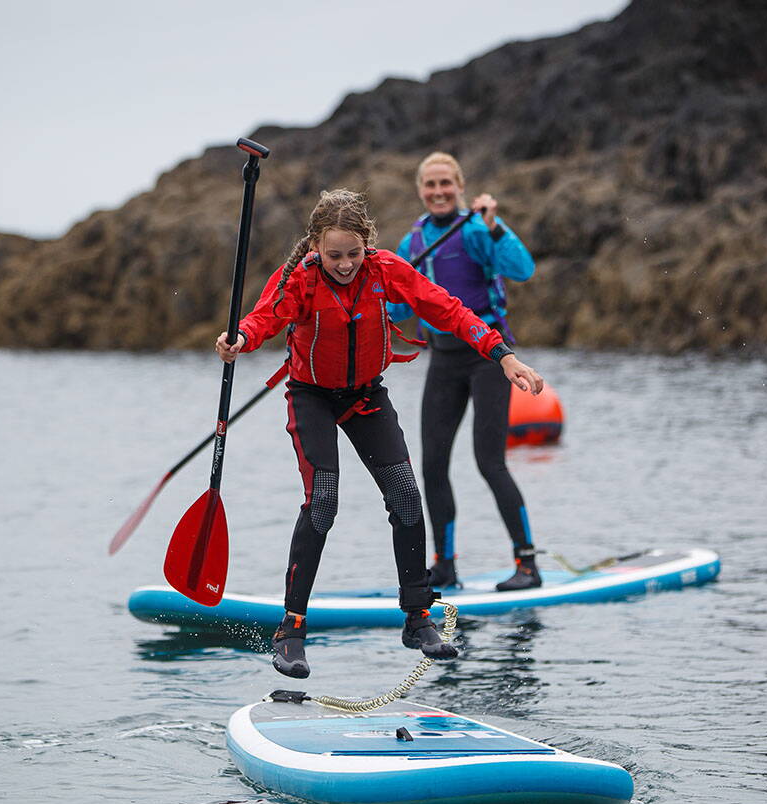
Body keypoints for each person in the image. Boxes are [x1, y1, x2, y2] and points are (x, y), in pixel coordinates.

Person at [216, 189, 545, 679]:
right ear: (315, 247)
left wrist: (503, 355)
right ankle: (290, 631)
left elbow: (448, 309)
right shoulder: (300, 278)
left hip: (366, 396)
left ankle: (417, 616)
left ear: (366, 246)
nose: (345, 264)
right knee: (324, 501)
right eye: (334, 255)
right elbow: (266, 317)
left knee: (407, 499)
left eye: (353, 254)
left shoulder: (385, 268)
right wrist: (239, 337)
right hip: (311, 397)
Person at [388, 152, 542, 591]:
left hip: (488, 357)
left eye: (446, 184)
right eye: (430, 185)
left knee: (489, 462)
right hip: (443, 359)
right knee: (433, 466)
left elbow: (522, 269)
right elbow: (398, 306)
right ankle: (445, 565)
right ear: (420, 190)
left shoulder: (476, 229)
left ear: (459, 186)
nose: (438, 192)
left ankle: (528, 565)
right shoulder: (412, 245)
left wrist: (495, 226)